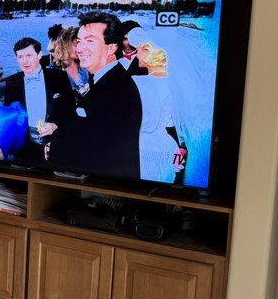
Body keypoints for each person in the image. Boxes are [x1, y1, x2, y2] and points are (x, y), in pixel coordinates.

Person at [46, 12, 142, 180]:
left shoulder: (116, 88)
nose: (80, 49)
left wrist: (54, 144)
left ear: (112, 47)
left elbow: (94, 147)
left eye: (90, 41)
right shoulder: (106, 79)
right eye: (79, 42)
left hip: (108, 188)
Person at [127, 28, 188, 184]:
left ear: (150, 52)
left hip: (141, 147)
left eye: (138, 49)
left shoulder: (135, 82)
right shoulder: (179, 85)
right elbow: (176, 127)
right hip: (169, 148)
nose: (135, 54)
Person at [2, 36, 76, 164]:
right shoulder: (11, 82)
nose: (24, 61)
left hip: (55, 144)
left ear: (40, 55)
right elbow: (10, 116)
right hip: (24, 148)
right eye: (20, 57)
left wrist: (55, 125)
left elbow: (70, 109)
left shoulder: (59, 77)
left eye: (29, 55)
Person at [47, 25, 90, 101]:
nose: (81, 48)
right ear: (65, 46)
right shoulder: (51, 74)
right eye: (76, 44)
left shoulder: (87, 67)